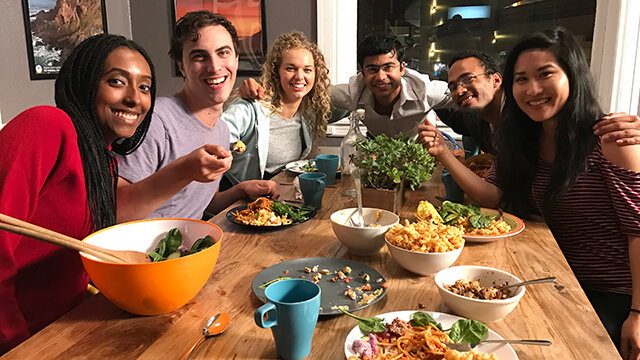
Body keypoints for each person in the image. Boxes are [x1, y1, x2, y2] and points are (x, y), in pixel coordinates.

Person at [419, 26, 640, 358]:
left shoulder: (610, 138)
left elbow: (639, 231)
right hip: (553, 280)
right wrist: (443, 154)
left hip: (612, 295)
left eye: (545, 74)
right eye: (521, 79)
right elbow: (492, 195)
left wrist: (638, 314)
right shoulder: (522, 140)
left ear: (573, 75)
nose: (532, 89)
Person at [0, 34, 156, 354]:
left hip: (69, 330)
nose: (134, 99)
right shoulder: (46, 125)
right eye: (117, 81)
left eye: (145, 87)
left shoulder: (103, 162)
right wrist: (18, 344)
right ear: (86, 82)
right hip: (22, 341)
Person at [116, 10, 279, 221]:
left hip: (195, 243)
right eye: (199, 56)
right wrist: (184, 171)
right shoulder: (155, 121)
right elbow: (116, 212)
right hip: (144, 252)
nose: (214, 66)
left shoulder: (221, 130)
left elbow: (201, 202)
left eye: (223, 53)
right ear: (182, 67)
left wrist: (240, 190)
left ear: (236, 60)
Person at [239, 32, 452, 138]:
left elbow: (464, 94)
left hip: (417, 158)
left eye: (388, 67)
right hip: (376, 157)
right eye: (372, 69)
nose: (381, 77)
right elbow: (304, 86)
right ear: (362, 71)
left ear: (402, 68)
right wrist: (259, 88)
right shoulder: (351, 93)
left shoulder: (426, 92)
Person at [433, 49, 640, 154]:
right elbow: (436, 101)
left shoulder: (533, 114)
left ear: (496, 80)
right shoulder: (477, 119)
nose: (460, 90)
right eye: (453, 86)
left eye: (468, 79)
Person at [220, 31, 331, 185]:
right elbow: (215, 138)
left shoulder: (309, 111)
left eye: (307, 70)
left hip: (282, 192)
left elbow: (351, 98)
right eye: (291, 68)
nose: (300, 76)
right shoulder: (251, 107)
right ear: (276, 72)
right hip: (240, 197)